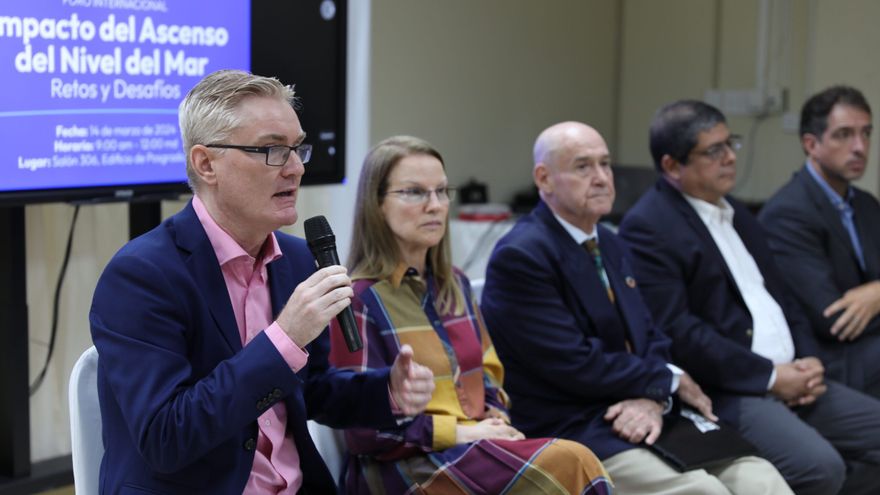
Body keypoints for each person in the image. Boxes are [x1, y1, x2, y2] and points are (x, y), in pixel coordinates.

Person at [89, 70, 435, 494]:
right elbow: (167, 437)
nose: (295, 168)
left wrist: (387, 391)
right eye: (272, 150)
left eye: (297, 148)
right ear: (206, 164)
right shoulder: (142, 276)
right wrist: (285, 338)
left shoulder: (297, 258)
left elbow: (312, 389)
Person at [481, 121, 791, 495]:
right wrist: (665, 380)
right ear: (544, 179)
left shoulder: (610, 243)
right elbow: (573, 363)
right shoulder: (522, 256)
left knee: (761, 479)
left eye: (605, 164)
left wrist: (654, 395)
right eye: (583, 167)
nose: (601, 178)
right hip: (575, 424)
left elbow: (651, 335)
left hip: (645, 407)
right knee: (704, 491)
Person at [618, 99, 880, 495]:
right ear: (672, 166)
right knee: (820, 466)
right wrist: (771, 377)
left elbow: (784, 299)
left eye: (731, 143)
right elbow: (680, 333)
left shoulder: (738, 214)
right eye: (713, 150)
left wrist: (809, 359)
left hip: (794, 376)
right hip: (733, 388)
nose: (730, 158)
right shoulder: (649, 226)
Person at [328, 135, 613, 494]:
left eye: (442, 191)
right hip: (402, 468)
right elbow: (362, 430)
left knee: (573, 464)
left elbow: (490, 375)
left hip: (474, 447)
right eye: (414, 192)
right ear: (377, 204)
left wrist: (495, 418)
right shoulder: (357, 299)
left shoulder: (455, 284)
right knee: (572, 462)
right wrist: (459, 432)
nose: (435, 205)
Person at [758, 85, 880, 398]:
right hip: (832, 361)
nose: (860, 147)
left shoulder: (866, 204)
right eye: (844, 135)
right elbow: (836, 320)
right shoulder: (788, 213)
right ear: (811, 144)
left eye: (866, 133)